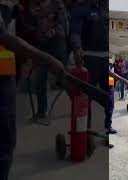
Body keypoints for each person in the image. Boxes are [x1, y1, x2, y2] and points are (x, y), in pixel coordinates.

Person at [0, 4, 66, 179]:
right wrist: (45, 58)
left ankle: (42, 111)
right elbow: (11, 38)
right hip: (5, 77)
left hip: (9, 74)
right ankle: (42, 111)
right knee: (4, 142)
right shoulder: (29, 14)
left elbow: (60, 32)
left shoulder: (56, 14)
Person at [69, 0, 116, 134]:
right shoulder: (82, 8)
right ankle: (84, 130)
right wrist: (77, 48)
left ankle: (108, 126)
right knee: (85, 97)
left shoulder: (106, 9)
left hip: (106, 60)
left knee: (110, 96)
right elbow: (75, 32)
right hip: (89, 58)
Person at [21, 0, 69, 124]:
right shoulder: (34, 5)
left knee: (65, 79)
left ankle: (77, 105)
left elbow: (64, 23)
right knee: (40, 80)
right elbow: (30, 24)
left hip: (57, 45)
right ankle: (42, 112)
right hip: (42, 46)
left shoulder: (57, 4)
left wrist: (54, 31)